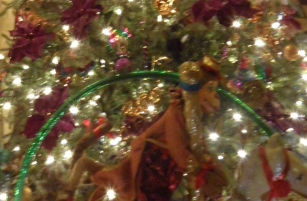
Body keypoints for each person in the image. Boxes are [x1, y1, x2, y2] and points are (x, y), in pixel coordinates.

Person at [68, 58, 228, 200]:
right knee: (140, 192)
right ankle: (85, 166)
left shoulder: (194, 119)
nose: (215, 96)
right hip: (152, 159)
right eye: (210, 89)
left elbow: (196, 144)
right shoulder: (176, 111)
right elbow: (176, 144)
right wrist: (195, 168)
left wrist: (206, 161)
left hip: (166, 166)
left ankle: (87, 168)